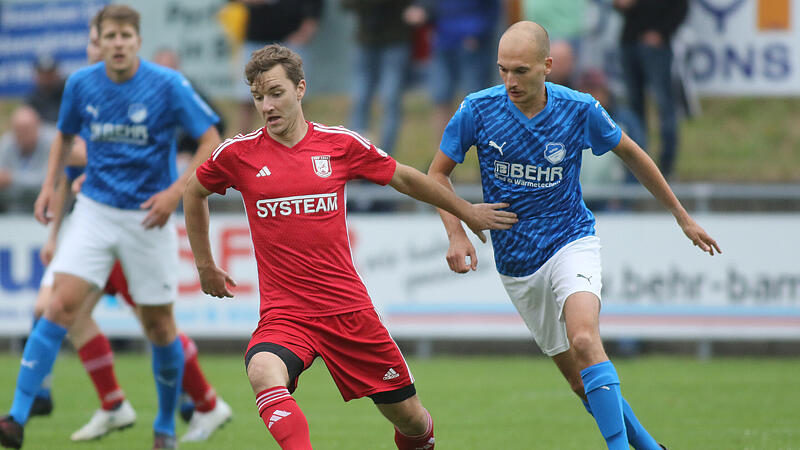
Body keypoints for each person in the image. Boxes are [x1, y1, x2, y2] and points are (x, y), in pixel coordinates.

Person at [182, 44, 517, 449]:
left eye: (275, 93)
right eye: (258, 97)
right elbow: (194, 191)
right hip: (286, 313)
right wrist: (204, 264)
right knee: (262, 370)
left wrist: (465, 212)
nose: (266, 105)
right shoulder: (238, 154)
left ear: (300, 88)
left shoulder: (338, 144)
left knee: (411, 421)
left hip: (348, 311)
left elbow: (405, 178)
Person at [427, 21, 720, 449]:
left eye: (521, 71)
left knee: (585, 339)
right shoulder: (478, 109)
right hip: (517, 265)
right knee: (581, 383)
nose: (510, 81)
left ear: (547, 66)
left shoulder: (578, 109)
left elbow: (632, 153)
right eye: (503, 70)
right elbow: (436, 174)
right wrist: (458, 229)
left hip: (571, 240)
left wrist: (681, 216)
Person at [0, 5, 222, 450]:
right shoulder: (81, 83)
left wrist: (174, 193)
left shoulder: (167, 84)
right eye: (110, 36)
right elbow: (64, 137)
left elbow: (211, 139)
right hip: (96, 211)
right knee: (58, 306)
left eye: (125, 35)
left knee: (159, 326)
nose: (117, 43)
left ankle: (164, 427)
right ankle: (16, 418)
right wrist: (48, 187)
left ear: (137, 41)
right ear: (98, 42)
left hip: (148, 216)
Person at [614, 0, 689, 179]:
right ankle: (638, 167)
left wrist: (662, 32)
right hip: (629, 40)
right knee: (634, 110)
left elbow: (681, 7)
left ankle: (666, 167)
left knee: (664, 105)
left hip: (656, 45)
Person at [404, 0, 500, 139]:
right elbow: (429, 5)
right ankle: (444, 146)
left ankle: (482, 143)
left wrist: (478, 32)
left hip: (473, 43)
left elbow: (493, 10)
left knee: (476, 98)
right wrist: (422, 10)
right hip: (443, 41)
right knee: (441, 98)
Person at [234, 0, 323, 133]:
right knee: (248, 98)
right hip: (256, 39)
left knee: (295, 96)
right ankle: (243, 142)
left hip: (291, 41)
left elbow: (315, 5)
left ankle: (301, 140)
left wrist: (305, 31)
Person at [342, 0, 415, 155]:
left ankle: (384, 157)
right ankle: (355, 154)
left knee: (390, 98)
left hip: (396, 40)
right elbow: (346, 5)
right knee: (360, 98)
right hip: (366, 40)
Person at [0, 106, 55, 212]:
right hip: (11, 212)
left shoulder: (53, 142)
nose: (22, 135)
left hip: (47, 210)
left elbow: (47, 183)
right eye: (18, 131)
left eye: (26, 130)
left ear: (38, 126)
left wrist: (11, 180)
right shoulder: (7, 143)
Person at [25, 54, 66, 124]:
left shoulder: (68, 93)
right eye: (43, 74)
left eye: (50, 73)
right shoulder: (32, 99)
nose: (47, 78)